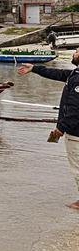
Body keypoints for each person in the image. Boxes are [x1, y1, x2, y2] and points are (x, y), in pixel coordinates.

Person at [17, 47, 79, 210]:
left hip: (76, 133)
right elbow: (58, 74)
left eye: (78, 51)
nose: (74, 53)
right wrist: (35, 69)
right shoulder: (75, 74)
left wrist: (61, 128)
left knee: (77, 167)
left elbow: (75, 107)